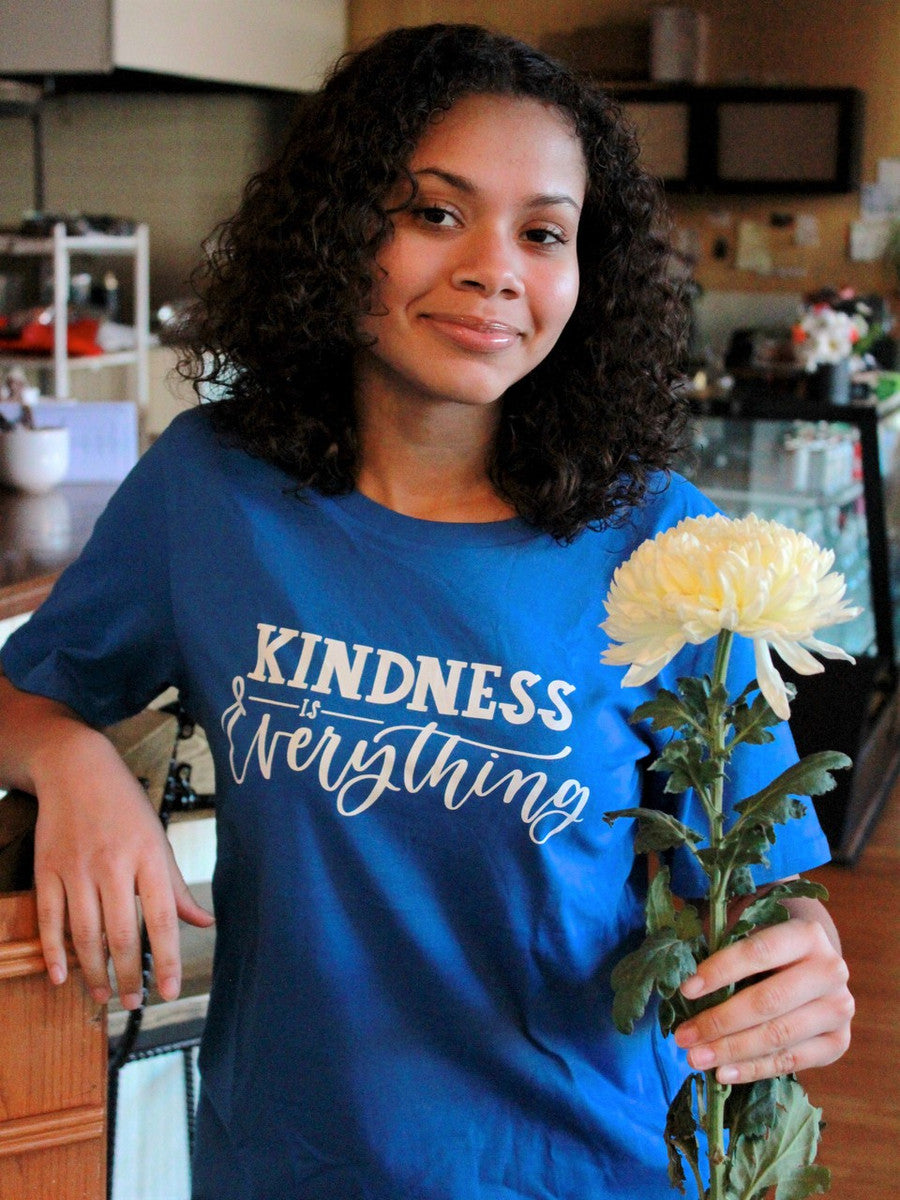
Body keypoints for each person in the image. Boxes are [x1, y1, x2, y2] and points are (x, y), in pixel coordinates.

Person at [0, 24, 852, 1200]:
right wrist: (69, 758)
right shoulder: (211, 493)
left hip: (590, 1169)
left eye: (543, 233)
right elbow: (22, 692)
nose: (496, 269)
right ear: (337, 229)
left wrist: (803, 970)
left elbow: (759, 884)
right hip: (289, 1166)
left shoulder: (666, 543)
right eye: (438, 213)